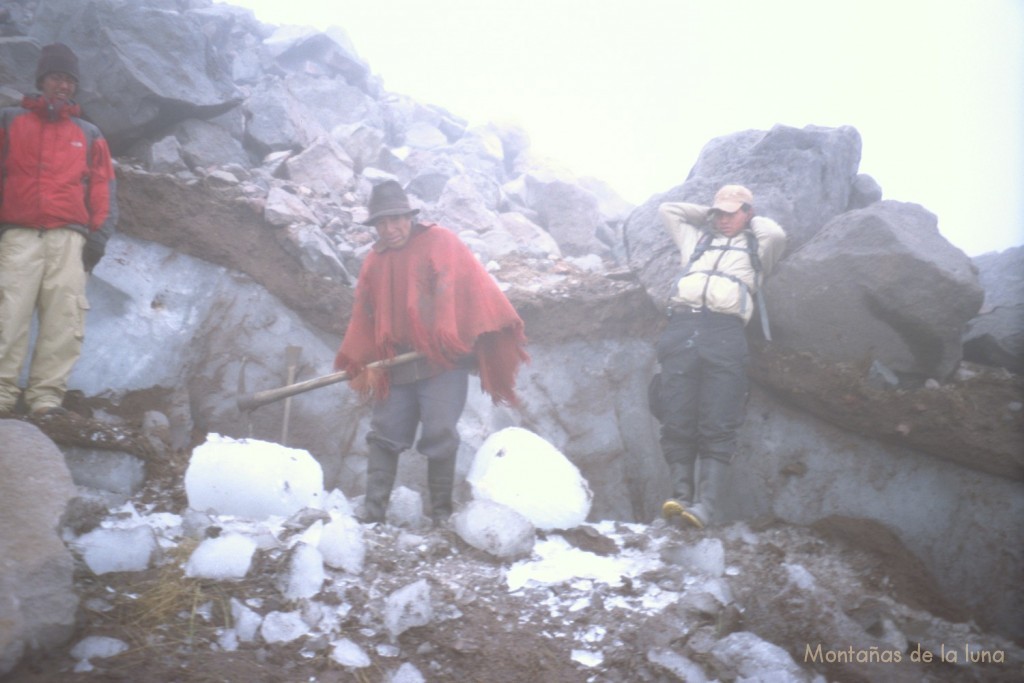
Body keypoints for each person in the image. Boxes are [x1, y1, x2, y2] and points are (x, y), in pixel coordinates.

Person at [334, 180, 528, 524]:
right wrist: (361, 358)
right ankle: (373, 514)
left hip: (442, 364)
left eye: (396, 219)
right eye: (381, 223)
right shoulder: (375, 262)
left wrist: (455, 336)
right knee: (385, 433)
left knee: (440, 432)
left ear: (410, 217)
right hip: (397, 366)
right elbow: (365, 317)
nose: (390, 229)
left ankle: (441, 515)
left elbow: (472, 292)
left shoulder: (442, 243)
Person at [653, 184, 785, 528]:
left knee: (718, 420)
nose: (725, 220)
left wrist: (747, 219)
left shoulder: (759, 245)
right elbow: (669, 210)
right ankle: (680, 498)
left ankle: (705, 506)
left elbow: (776, 232)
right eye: (720, 214)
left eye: (732, 213)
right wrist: (711, 213)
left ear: (748, 213)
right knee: (676, 415)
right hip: (682, 328)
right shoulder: (697, 241)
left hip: (725, 333)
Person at [0, 43, 117, 416]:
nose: (63, 85)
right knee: (7, 314)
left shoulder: (89, 133)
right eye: (56, 77)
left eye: (69, 80)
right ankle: (1, 396)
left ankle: (45, 400)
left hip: (69, 238)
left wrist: (95, 242)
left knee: (64, 321)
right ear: (41, 80)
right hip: (17, 235)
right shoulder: (9, 120)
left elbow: (104, 189)